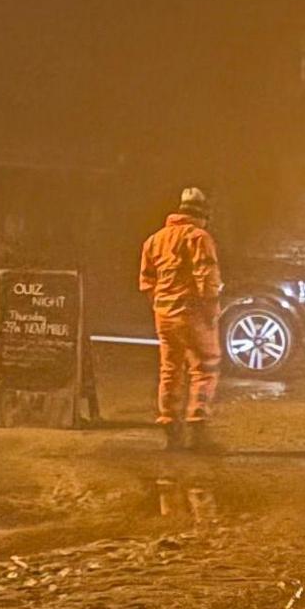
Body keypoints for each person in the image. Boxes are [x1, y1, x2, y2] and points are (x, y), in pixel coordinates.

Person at [137, 187, 224, 450]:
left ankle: (170, 429)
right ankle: (197, 425)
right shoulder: (199, 237)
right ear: (202, 213)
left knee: (170, 370)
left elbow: (146, 281)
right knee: (204, 367)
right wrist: (210, 311)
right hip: (193, 313)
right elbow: (206, 278)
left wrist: (160, 306)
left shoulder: (154, 240)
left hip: (164, 315)